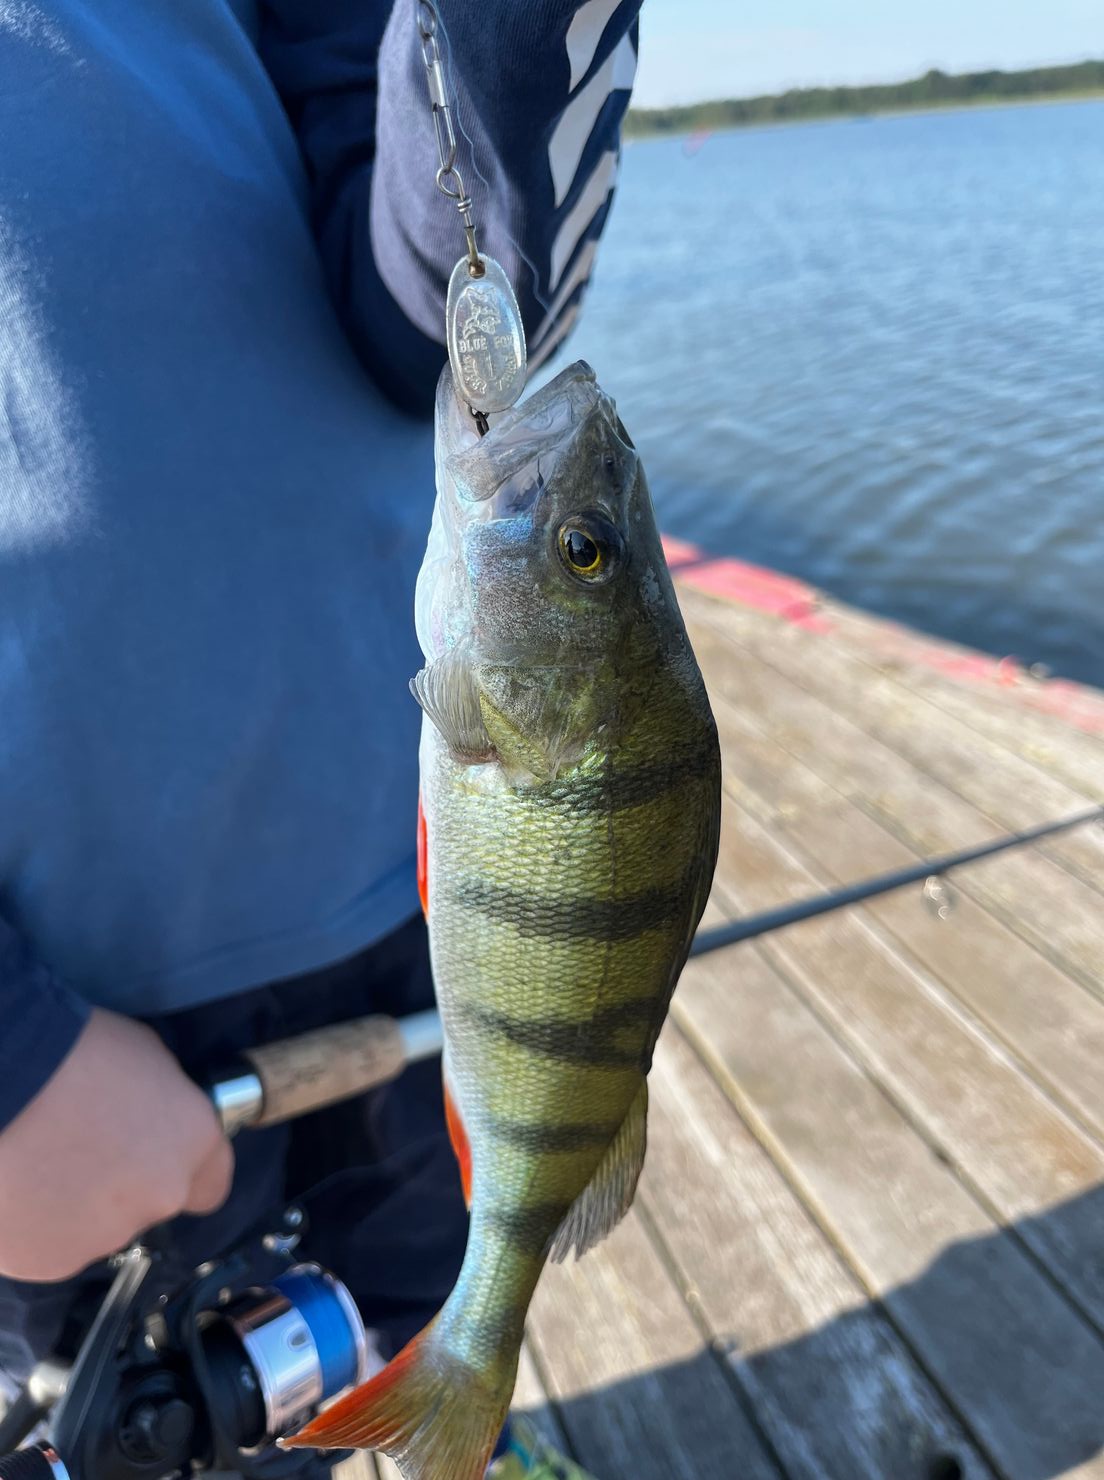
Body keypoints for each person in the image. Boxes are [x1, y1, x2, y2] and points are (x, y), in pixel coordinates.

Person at [0, 1, 642, 1476]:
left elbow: (423, 300)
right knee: (133, 1418)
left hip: (396, 895)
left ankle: (444, 1416)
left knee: (400, 1289)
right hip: (65, 999)